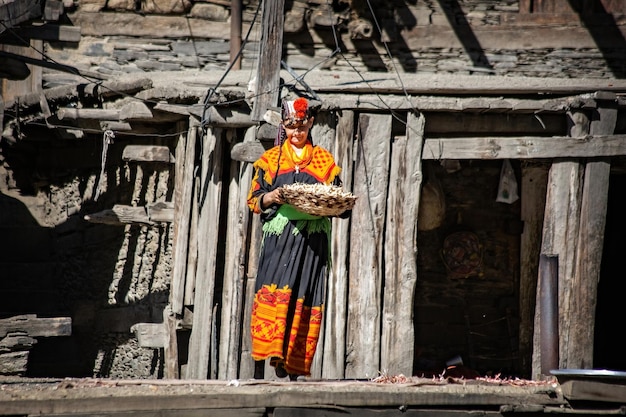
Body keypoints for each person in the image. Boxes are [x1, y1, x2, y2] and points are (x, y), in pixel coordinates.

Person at [246, 97, 350, 381]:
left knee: (305, 297)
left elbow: (338, 203)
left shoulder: (324, 161)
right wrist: (274, 196)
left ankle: (294, 364)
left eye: (302, 126)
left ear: (311, 124)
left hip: (311, 243)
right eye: (291, 126)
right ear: (284, 126)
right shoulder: (270, 161)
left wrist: (337, 207)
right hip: (280, 243)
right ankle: (277, 355)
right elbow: (254, 201)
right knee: (279, 295)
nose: (297, 132)